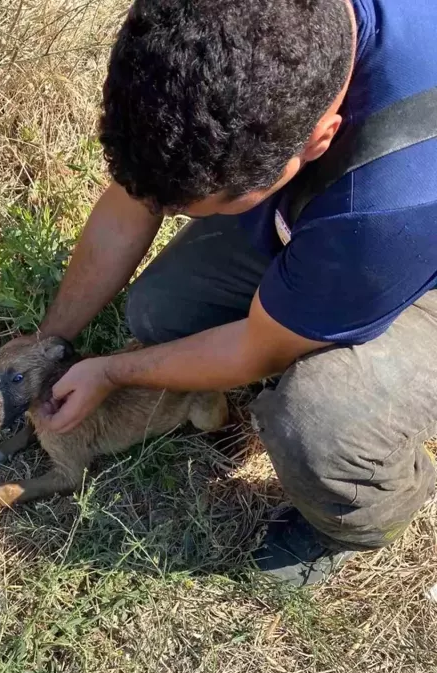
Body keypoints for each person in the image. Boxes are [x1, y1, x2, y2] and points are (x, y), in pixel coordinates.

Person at [29, 0, 437, 584]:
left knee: (319, 421)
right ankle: (302, 280)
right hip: (349, 212)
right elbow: (129, 204)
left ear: (320, 138)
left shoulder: (387, 207)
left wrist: (113, 372)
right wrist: (48, 342)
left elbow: (255, 349)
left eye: (187, 209)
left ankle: (360, 517)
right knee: (164, 311)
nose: (166, 215)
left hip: (415, 246)